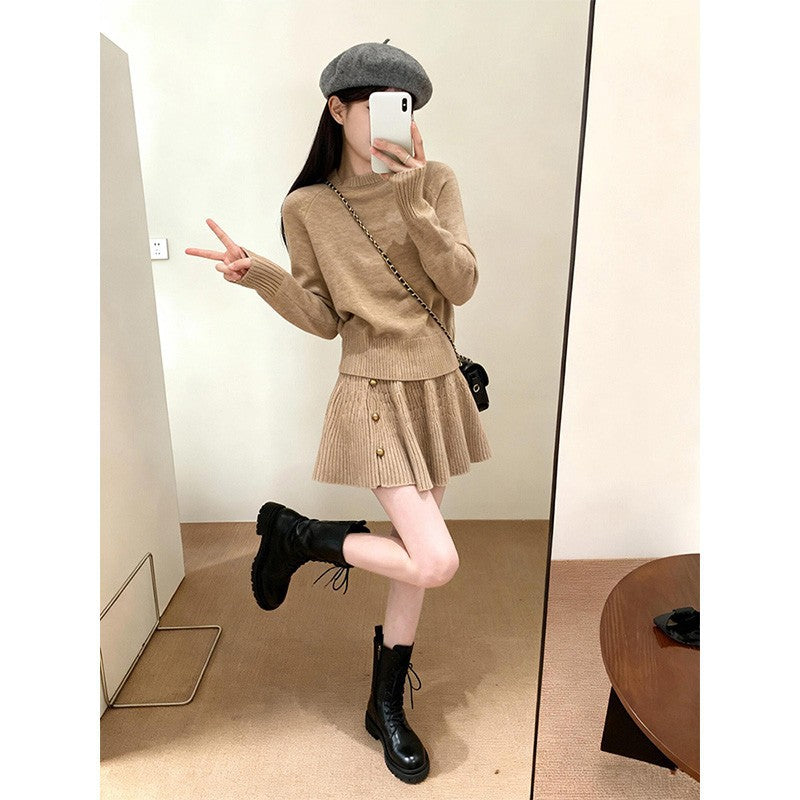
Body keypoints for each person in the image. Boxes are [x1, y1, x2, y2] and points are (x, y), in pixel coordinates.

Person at [185, 40, 492, 784]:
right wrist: (259, 275)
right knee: (436, 559)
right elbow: (325, 319)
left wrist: (414, 206)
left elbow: (461, 284)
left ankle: (383, 704)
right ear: (338, 108)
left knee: (415, 564)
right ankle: (303, 536)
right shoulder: (308, 208)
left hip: (435, 387)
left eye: (406, 106)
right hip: (372, 390)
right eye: (382, 103)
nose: (399, 119)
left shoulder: (436, 182)